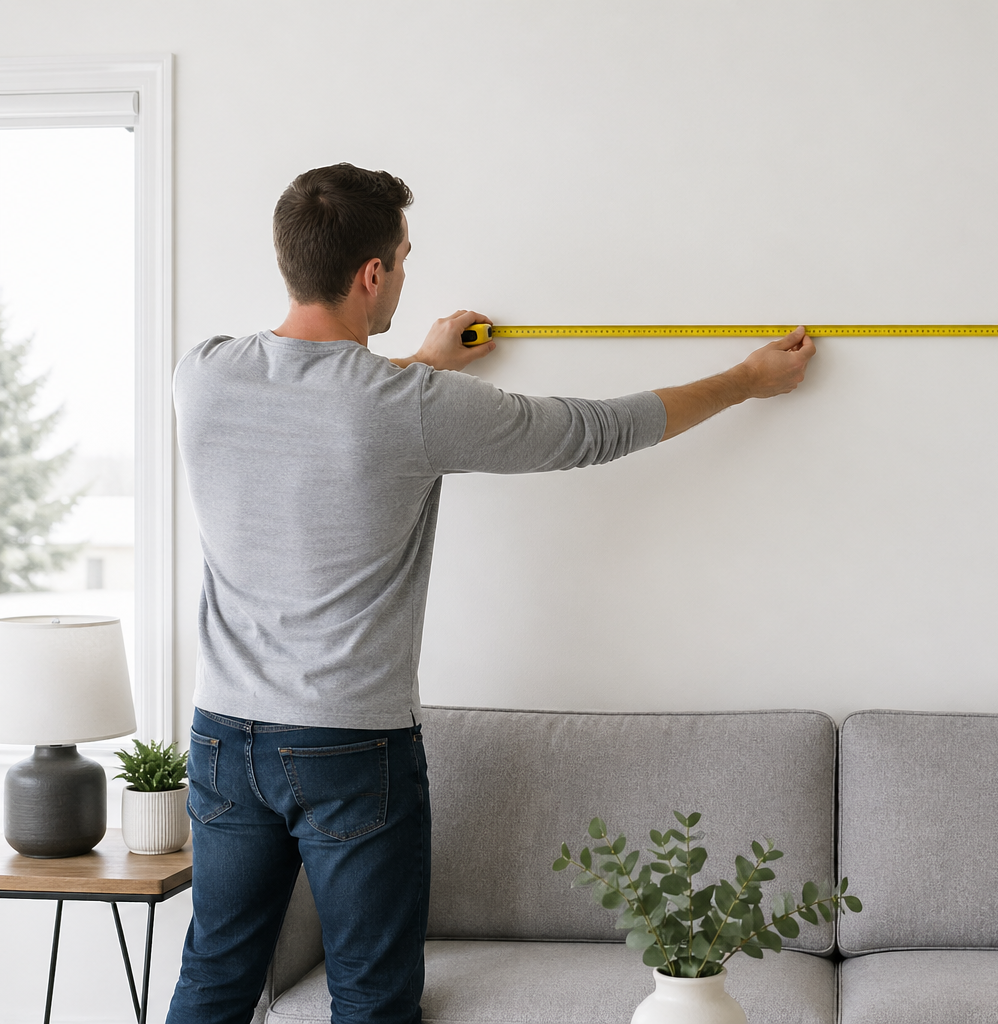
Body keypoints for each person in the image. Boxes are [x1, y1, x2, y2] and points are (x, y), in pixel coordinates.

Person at [165, 162, 815, 1024]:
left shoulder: (202, 374)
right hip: (349, 750)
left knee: (215, 977)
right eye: (401, 257)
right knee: (370, 998)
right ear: (371, 276)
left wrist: (422, 362)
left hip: (220, 737)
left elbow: (318, 403)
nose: (404, 271)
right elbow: (594, 431)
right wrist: (746, 381)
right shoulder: (410, 405)